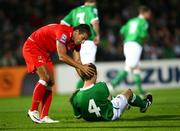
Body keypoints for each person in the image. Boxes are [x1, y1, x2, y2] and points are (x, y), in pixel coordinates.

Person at [23, 23, 95, 123]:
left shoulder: (76, 43)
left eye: (85, 40)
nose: (82, 42)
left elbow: (78, 62)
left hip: (44, 52)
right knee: (45, 78)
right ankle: (33, 110)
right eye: (82, 38)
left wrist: (87, 82)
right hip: (33, 47)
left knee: (50, 82)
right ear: (77, 32)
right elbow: (62, 56)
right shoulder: (64, 32)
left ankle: (44, 116)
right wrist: (81, 67)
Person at [70, 64, 153, 121]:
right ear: (94, 74)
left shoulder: (75, 96)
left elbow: (78, 116)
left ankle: (127, 104)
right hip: (110, 115)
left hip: (89, 119)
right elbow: (109, 100)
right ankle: (144, 105)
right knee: (128, 92)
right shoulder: (101, 86)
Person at [110, 5, 152, 96]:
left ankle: (141, 92)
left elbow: (122, 31)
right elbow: (144, 35)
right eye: (149, 13)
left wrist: (125, 40)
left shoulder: (131, 21)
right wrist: (144, 41)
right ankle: (113, 83)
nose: (150, 15)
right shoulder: (144, 22)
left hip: (127, 44)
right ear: (145, 13)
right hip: (135, 44)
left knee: (136, 67)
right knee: (130, 66)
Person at [60, 0, 100, 89]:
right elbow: (95, 22)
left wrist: (71, 35)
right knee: (89, 69)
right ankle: (79, 94)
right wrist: (97, 35)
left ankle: (80, 93)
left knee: (85, 68)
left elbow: (63, 23)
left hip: (77, 41)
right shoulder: (92, 8)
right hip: (88, 40)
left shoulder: (75, 10)